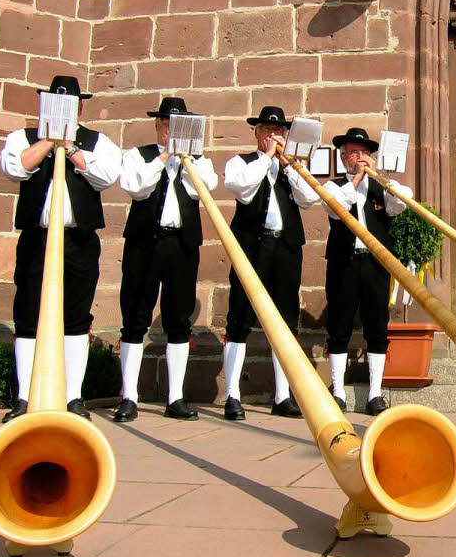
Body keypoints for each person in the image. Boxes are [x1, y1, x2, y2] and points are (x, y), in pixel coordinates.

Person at [0, 75, 121, 422]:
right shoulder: (23, 137)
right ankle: (24, 397)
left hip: (78, 239)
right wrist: (49, 140)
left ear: (80, 106)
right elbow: (14, 166)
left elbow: (108, 175)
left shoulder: (98, 141)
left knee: (77, 316)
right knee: (28, 314)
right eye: (56, 103)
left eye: (70, 105)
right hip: (37, 239)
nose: (65, 109)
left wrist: (72, 148)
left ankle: (72, 398)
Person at [113, 97, 219, 423]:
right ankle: (128, 396)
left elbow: (205, 188)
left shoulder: (198, 160)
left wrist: (186, 157)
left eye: (178, 127)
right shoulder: (137, 156)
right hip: (144, 243)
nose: (171, 131)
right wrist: (163, 157)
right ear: (158, 126)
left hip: (182, 244)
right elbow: (135, 187)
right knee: (135, 316)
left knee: (178, 318)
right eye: (167, 125)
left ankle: (176, 397)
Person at [222, 106, 320, 419]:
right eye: (267, 130)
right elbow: (244, 191)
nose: (273, 136)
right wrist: (266, 158)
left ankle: (282, 396)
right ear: (257, 133)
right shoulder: (242, 162)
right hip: (252, 246)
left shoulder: (293, 167)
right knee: (240, 316)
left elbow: (310, 197)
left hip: (286, 247)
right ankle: (232, 395)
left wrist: (288, 166)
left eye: (278, 132)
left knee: (285, 321)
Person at [322, 127, 412, 415]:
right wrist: (358, 177)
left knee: (377, 325)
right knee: (339, 325)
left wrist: (380, 178)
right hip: (344, 262)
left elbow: (400, 204)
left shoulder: (381, 186)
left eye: (363, 152)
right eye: (352, 152)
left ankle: (375, 394)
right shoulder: (333, 185)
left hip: (375, 263)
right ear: (343, 157)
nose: (358, 156)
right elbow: (337, 208)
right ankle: (337, 391)